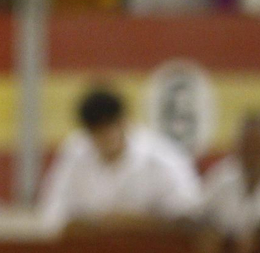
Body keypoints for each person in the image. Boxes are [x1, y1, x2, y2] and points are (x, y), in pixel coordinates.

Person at [37, 86, 203, 233]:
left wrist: (136, 223)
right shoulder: (75, 153)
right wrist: (93, 224)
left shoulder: (163, 158)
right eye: (96, 132)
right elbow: (52, 215)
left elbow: (190, 217)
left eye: (108, 128)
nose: (103, 137)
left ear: (123, 122)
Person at [200, 111, 260, 242]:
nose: (252, 155)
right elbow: (198, 213)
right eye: (247, 147)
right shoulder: (224, 174)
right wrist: (205, 231)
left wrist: (257, 236)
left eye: (258, 148)